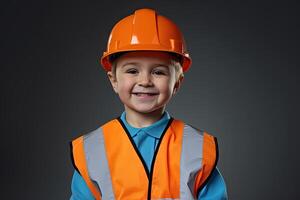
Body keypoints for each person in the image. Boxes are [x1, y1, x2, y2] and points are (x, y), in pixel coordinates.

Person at [70, 8, 228, 200]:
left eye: (159, 72)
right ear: (113, 80)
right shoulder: (91, 150)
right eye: (132, 71)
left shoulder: (198, 148)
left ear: (177, 82)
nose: (145, 81)